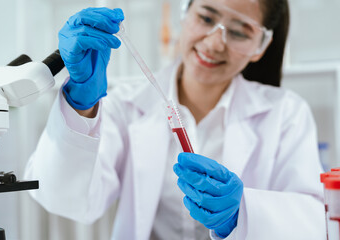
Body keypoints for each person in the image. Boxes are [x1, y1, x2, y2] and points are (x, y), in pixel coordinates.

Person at [24, 0, 326, 239]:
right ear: (185, 13)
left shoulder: (286, 113)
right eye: (206, 18)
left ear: (261, 46)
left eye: (238, 31)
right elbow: (64, 199)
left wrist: (244, 215)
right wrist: (80, 106)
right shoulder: (126, 106)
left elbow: (315, 221)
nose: (214, 43)